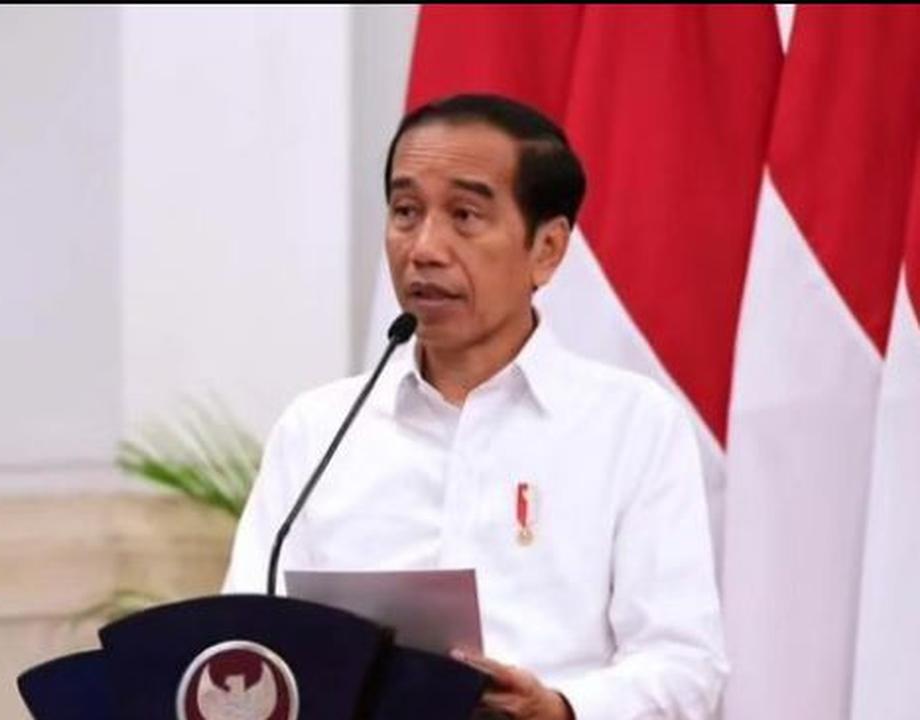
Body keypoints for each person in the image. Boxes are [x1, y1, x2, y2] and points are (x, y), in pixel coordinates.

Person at [222, 94, 727, 720]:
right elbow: (246, 641)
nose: (424, 248)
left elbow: (685, 663)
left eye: (464, 216)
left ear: (547, 249)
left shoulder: (631, 424)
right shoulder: (318, 429)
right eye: (406, 212)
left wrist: (562, 708)